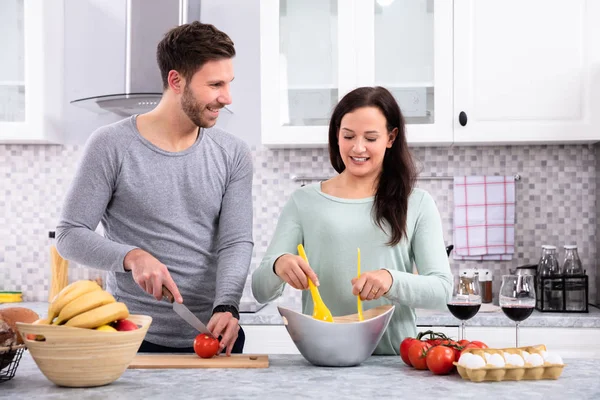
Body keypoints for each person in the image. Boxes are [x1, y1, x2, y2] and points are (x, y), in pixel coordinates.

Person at [56, 22, 253, 355]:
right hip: (130, 337)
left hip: (215, 337)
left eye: (229, 83)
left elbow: (235, 241)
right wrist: (131, 257)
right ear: (176, 81)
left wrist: (228, 305)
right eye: (215, 84)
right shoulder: (110, 145)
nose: (227, 97)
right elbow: (70, 234)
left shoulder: (232, 153)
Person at [252, 86, 452, 355]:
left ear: (391, 137)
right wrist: (278, 265)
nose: (358, 148)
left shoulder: (417, 203)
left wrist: (391, 281)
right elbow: (260, 291)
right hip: (323, 359)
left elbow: (442, 290)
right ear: (337, 135)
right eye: (348, 136)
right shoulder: (304, 201)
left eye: (371, 137)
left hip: (395, 363)